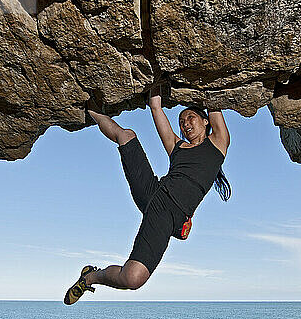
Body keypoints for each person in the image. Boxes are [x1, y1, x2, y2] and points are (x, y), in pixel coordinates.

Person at [64, 84, 231, 305]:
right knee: (126, 136)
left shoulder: (218, 144)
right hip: (152, 193)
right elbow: (155, 107)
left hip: (168, 215)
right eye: (181, 121)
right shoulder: (177, 147)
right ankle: (90, 108)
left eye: (190, 117)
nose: (185, 123)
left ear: (205, 121)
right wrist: (156, 78)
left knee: (133, 278)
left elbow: (214, 100)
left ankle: (89, 277)